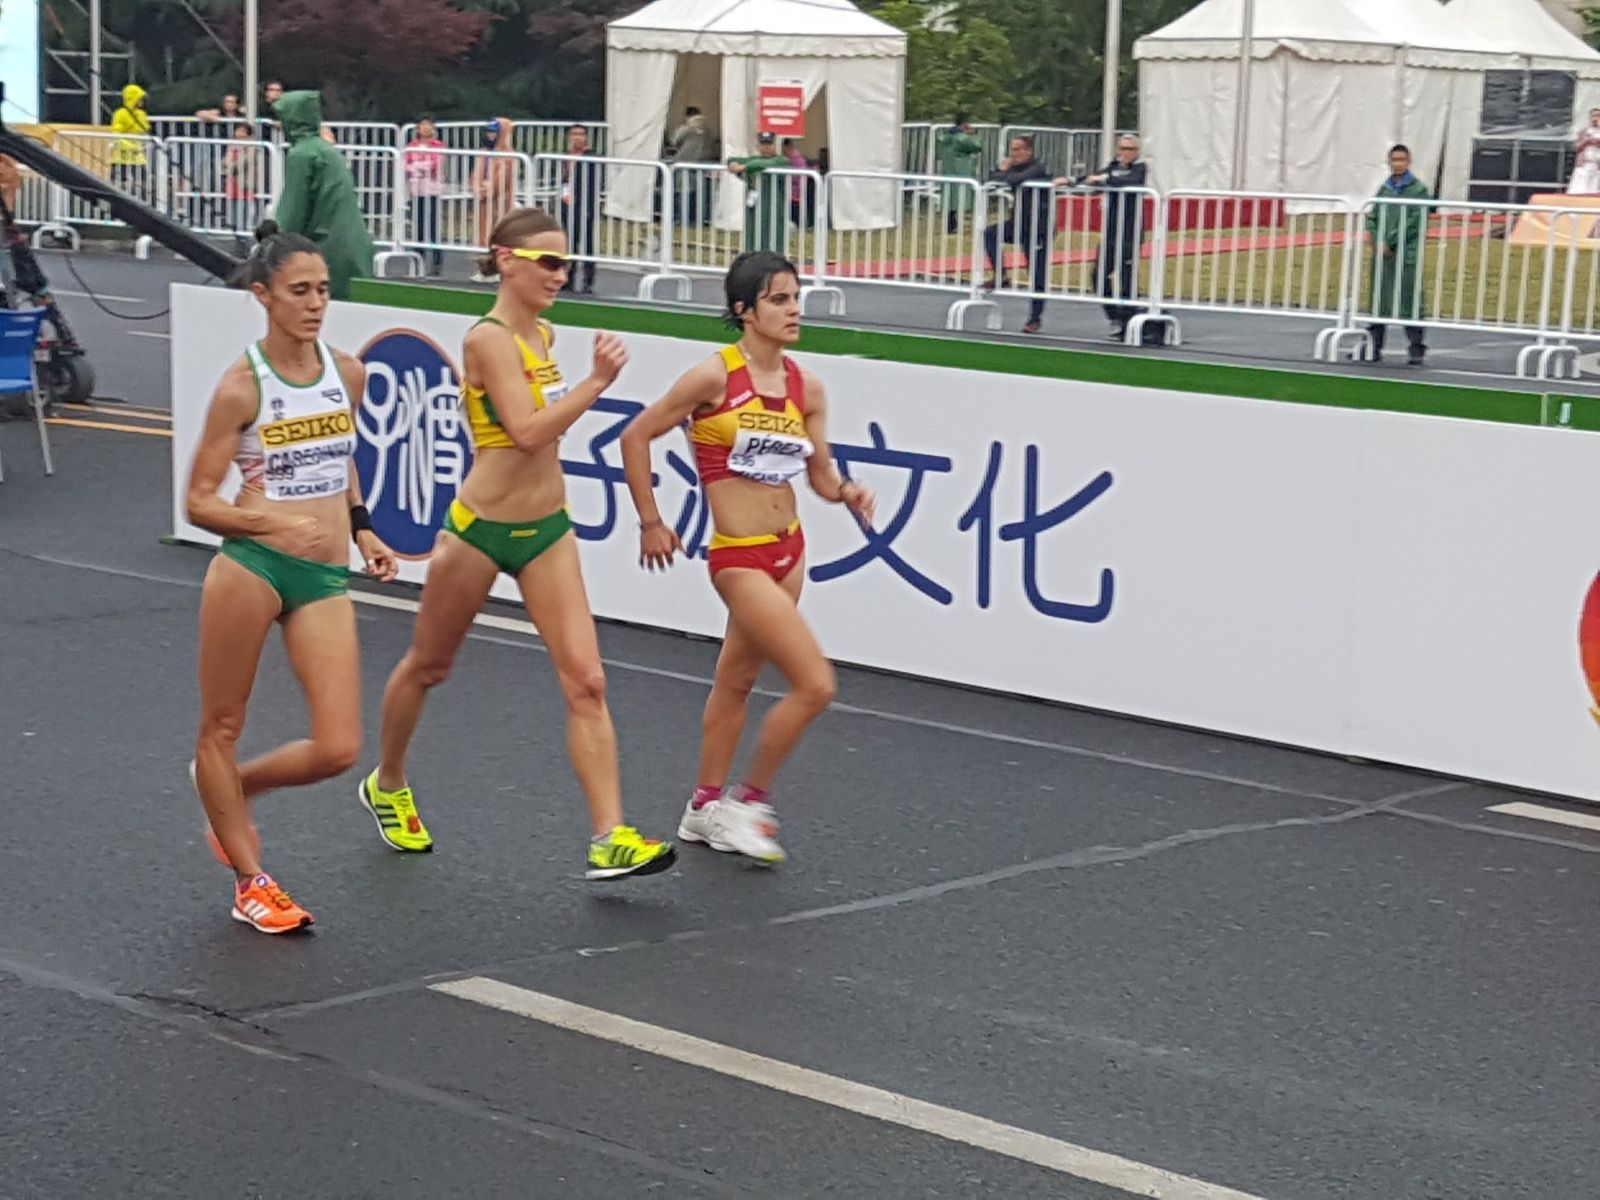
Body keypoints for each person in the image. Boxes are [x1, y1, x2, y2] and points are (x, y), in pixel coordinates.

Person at [360, 207, 676, 881]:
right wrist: (596, 383)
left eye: (566, 263)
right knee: (428, 667)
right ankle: (386, 782)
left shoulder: (544, 332)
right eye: (548, 263)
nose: (562, 275)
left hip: (547, 530)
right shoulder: (489, 339)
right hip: (479, 531)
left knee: (587, 680)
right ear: (506, 259)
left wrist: (581, 379)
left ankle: (609, 835)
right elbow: (528, 432)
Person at [619, 250, 876, 865]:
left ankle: (703, 807)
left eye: (796, 298)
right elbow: (636, 434)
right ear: (743, 311)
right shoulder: (713, 377)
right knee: (815, 685)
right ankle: (747, 801)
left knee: (736, 680)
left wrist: (846, 493)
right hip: (737, 555)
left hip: (790, 550)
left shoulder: (805, 387)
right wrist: (651, 520)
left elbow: (818, 474)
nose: (793, 311)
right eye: (778, 300)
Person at [183, 233, 398, 934]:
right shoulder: (241, 387)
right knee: (221, 724)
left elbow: (341, 457)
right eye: (299, 291)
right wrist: (272, 528)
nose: (314, 304)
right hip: (252, 566)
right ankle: (251, 882)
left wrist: (361, 525)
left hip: (324, 571)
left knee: (338, 747)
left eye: (323, 290)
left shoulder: (349, 373)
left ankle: (232, 789)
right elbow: (198, 502)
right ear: (262, 297)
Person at [267, 90, 375, 301]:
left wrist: (273, 240)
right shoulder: (327, 150)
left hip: (327, 248)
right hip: (355, 245)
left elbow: (293, 209)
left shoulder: (302, 154)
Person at [1069, 135, 1153, 343]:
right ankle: (1115, 316)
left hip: (1131, 233)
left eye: (1131, 148)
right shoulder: (1111, 167)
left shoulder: (1139, 168)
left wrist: (1105, 180)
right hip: (1112, 232)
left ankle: (1128, 321)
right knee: (1098, 275)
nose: (1126, 152)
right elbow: (1093, 178)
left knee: (1127, 278)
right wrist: (1072, 181)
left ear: (1137, 151)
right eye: (1123, 148)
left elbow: (1130, 181)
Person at [1366, 143, 1431, 366]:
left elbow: (1414, 222)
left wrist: (1392, 241)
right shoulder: (1384, 188)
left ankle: (1416, 346)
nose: (1398, 164)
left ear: (1409, 161)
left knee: (1409, 299)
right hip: (1383, 254)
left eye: (1402, 160)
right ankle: (1373, 345)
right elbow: (1372, 217)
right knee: (1378, 298)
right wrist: (1377, 240)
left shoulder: (1419, 190)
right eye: (1394, 160)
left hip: (1407, 252)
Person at [982, 135, 1053, 335]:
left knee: (1037, 274)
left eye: (1018, 149)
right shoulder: (1014, 167)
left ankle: (1034, 318)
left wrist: (1005, 174)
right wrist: (1002, 171)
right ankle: (1001, 275)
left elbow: (1015, 179)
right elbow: (992, 179)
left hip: (1039, 227)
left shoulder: (1038, 168)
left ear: (1028, 151)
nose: (1014, 154)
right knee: (990, 233)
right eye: (1012, 150)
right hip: (1018, 223)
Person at [727, 131, 792, 253]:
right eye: (763, 144)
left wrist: (745, 167)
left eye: (769, 144)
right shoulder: (753, 159)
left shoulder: (782, 160)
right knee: (752, 232)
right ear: (758, 146)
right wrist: (733, 163)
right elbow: (732, 159)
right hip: (754, 204)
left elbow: (768, 163)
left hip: (773, 205)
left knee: (774, 234)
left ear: (775, 146)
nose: (766, 147)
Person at [472, 118, 517, 281]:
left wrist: (487, 190)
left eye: (494, 131)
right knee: (482, 236)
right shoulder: (484, 152)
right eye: (489, 131)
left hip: (500, 203)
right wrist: (477, 188)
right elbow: (475, 175)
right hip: (483, 203)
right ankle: (484, 268)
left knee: (499, 236)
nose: (491, 135)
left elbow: (502, 181)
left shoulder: (508, 155)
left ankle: (498, 270)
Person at [404, 116, 446, 276]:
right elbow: (407, 165)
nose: (425, 129)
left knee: (433, 225)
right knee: (418, 225)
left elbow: (435, 164)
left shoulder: (438, 146)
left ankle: (437, 259)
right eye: (422, 125)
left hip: (432, 189)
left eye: (428, 126)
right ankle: (418, 258)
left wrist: (418, 166)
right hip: (416, 190)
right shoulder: (411, 146)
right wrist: (419, 167)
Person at [561, 124, 600, 295]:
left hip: (586, 203)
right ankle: (568, 277)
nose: (577, 138)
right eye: (574, 134)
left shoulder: (592, 156)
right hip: (569, 202)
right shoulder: (567, 157)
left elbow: (593, 182)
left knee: (587, 241)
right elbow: (565, 179)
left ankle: (588, 280)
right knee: (569, 241)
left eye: (581, 134)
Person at [935, 113, 984, 234]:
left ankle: (951, 224)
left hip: (947, 170)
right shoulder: (962, 138)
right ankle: (955, 224)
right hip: (961, 170)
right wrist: (973, 135)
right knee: (960, 198)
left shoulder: (945, 137)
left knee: (949, 198)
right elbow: (977, 147)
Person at [671, 106, 714, 226]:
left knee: (682, 192)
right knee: (700, 193)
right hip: (703, 162)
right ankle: (699, 219)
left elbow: (675, 140)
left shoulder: (686, 129)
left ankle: (681, 218)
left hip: (684, 162)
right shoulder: (707, 129)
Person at [109, 83, 152, 198]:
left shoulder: (141, 114)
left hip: (138, 155)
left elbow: (144, 130)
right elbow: (116, 134)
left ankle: (141, 202)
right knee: (117, 183)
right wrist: (130, 146)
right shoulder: (120, 114)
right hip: (121, 155)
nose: (142, 101)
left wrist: (144, 144)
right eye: (140, 98)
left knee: (143, 183)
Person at [221, 122, 262, 235]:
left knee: (244, 209)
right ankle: (233, 229)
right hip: (232, 182)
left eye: (242, 131)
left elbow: (243, 163)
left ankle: (243, 232)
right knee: (232, 208)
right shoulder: (232, 146)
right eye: (238, 130)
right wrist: (226, 168)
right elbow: (224, 161)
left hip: (245, 183)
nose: (239, 133)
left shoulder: (252, 147)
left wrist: (228, 168)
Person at [1571, 110, 1600, 195]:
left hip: (1597, 165)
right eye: (1593, 116)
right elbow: (1576, 146)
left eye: (1598, 116)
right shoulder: (1584, 131)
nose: (1595, 118)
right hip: (1585, 164)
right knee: (1581, 186)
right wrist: (1587, 140)